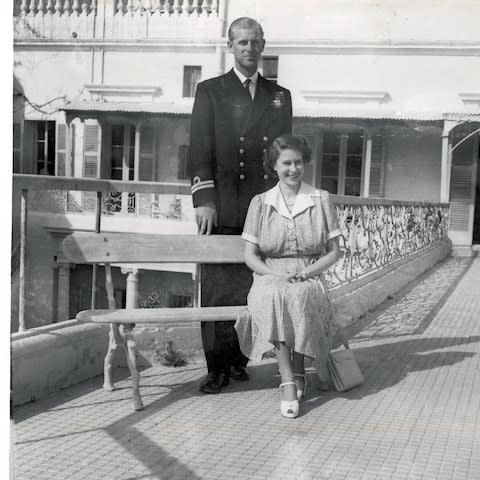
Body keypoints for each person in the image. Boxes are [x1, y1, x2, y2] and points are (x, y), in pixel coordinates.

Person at [189, 17, 293, 394]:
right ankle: (215, 367)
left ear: (264, 45)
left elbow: (285, 155)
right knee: (218, 288)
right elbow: (200, 150)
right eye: (242, 43)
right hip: (223, 205)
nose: (249, 49)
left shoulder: (280, 96)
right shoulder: (210, 91)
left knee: (253, 287)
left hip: (262, 208)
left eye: (255, 42)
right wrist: (204, 199)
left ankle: (238, 360)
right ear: (230, 46)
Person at [235, 134, 341, 418]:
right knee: (277, 295)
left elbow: (334, 252)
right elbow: (250, 256)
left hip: (309, 274)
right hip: (269, 275)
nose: (293, 169)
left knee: (300, 294)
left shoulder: (320, 200)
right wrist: (273, 273)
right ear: (274, 166)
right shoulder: (261, 203)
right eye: (286, 163)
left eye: (298, 162)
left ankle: (298, 369)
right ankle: (288, 381)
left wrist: (307, 271)